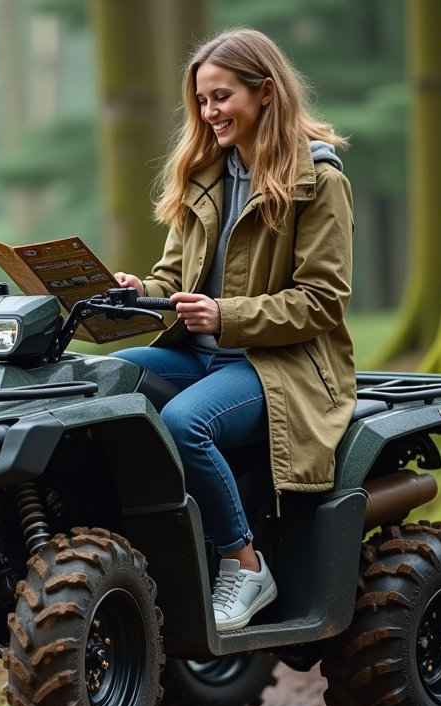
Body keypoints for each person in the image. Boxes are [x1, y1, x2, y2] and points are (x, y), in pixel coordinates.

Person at [113, 28, 356, 633]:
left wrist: (226, 316)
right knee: (105, 381)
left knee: (183, 424)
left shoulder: (319, 182)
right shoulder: (204, 175)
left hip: (280, 366)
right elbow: (172, 279)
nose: (208, 112)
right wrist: (134, 293)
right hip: (197, 356)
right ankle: (149, 553)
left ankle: (245, 564)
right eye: (201, 100)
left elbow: (322, 302)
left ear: (265, 92)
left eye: (221, 97)